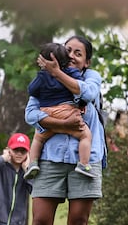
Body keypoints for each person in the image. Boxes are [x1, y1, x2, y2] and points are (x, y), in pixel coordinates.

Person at [25, 35, 105, 225]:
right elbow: (30, 114)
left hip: (86, 159)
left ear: (87, 61)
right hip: (50, 157)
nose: (71, 55)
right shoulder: (42, 79)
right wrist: (62, 124)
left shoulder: (91, 78)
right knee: (40, 222)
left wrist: (56, 73)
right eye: (68, 50)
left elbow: (87, 95)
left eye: (78, 53)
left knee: (78, 222)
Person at [25, 42, 95, 180]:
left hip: (46, 112)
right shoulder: (72, 73)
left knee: (38, 138)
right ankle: (84, 164)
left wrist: (44, 75)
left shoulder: (42, 76)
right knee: (85, 136)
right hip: (66, 111)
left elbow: (31, 90)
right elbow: (80, 89)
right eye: (69, 51)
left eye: (78, 53)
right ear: (66, 59)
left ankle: (32, 163)